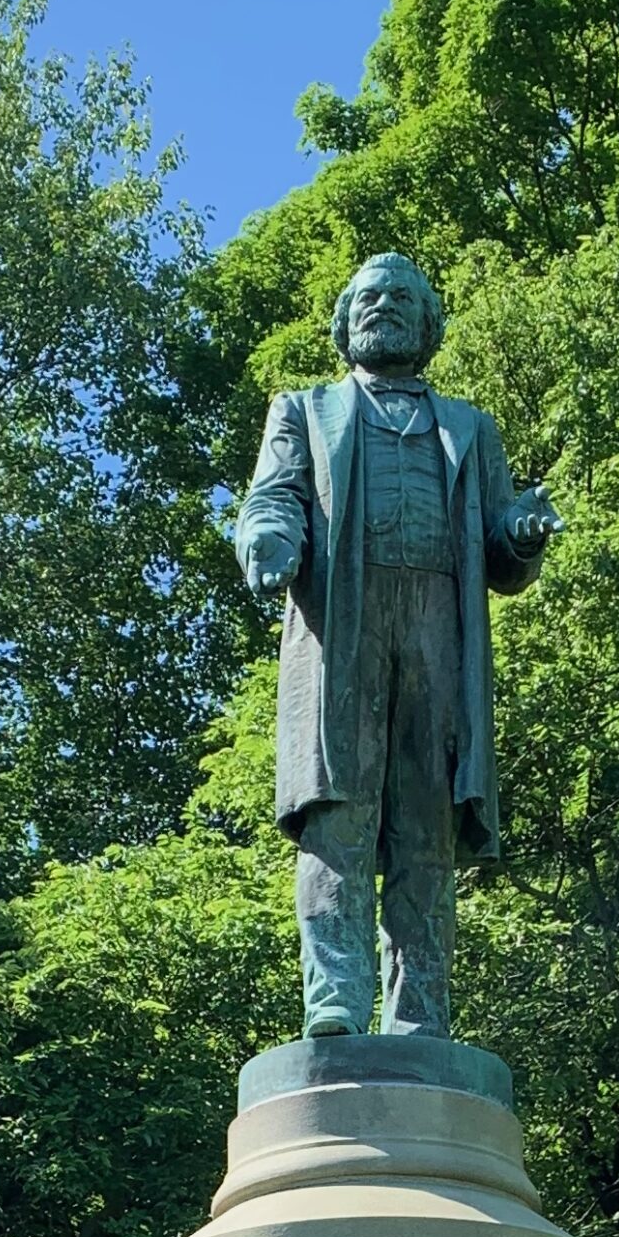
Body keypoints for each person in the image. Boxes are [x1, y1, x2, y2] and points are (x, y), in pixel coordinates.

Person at [235, 252, 562, 1038]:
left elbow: (498, 555)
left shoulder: (468, 427)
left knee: (425, 827)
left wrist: (518, 535)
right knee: (337, 819)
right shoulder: (305, 410)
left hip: (437, 627)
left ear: (428, 325)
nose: (383, 307)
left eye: (401, 298)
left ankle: (418, 1014)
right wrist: (270, 542)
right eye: (369, 297)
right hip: (343, 621)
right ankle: (336, 1001)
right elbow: (272, 497)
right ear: (345, 321)